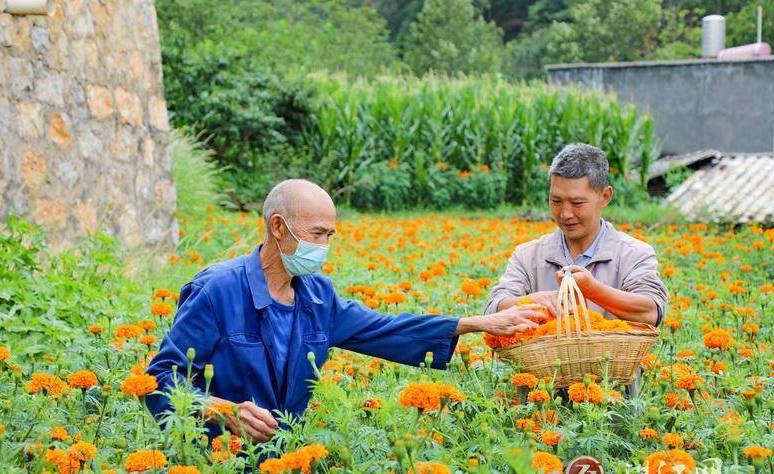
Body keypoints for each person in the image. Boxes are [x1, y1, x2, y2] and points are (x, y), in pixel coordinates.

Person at [146, 179, 545, 442]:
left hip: (288, 463)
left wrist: (475, 323)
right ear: (278, 228)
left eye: (329, 235)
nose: (324, 245)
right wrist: (219, 409)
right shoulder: (217, 290)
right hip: (218, 464)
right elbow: (159, 378)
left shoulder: (317, 295)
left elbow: (384, 329)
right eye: (317, 234)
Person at [484, 143, 669, 396]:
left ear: (605, 196)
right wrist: (532, 301)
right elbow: (494, 307)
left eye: (577, 203)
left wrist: (593, 290)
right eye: (556, 201)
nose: (565, 213)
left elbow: (651, 311)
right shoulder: (529, 255)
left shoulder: (633, 253)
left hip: (610, 405)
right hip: (540, 404)